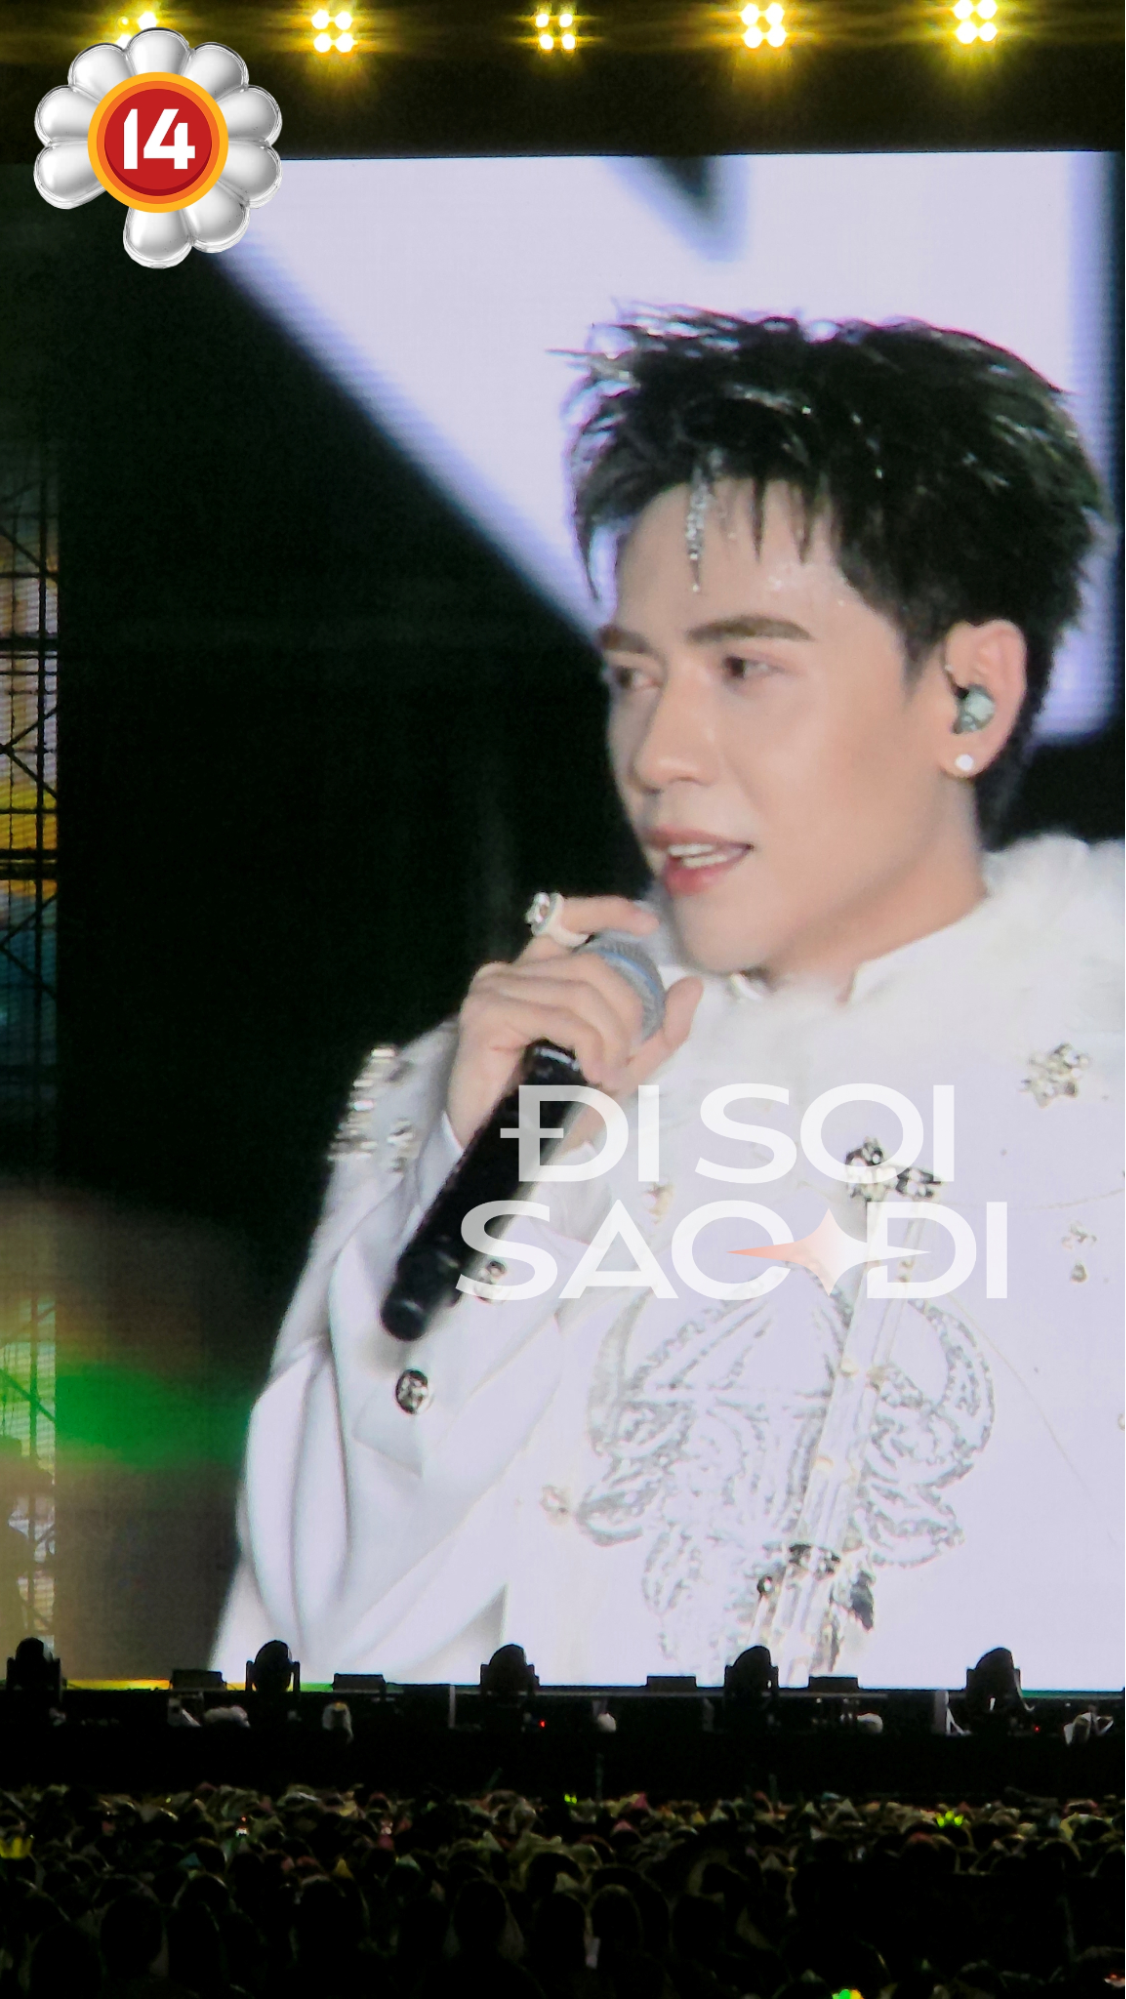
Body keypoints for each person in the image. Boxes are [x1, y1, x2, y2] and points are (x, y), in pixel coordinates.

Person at [214, 312, 1123, 1691]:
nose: (658, 750)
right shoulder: (504, 1083)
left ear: (967, 695)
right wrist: (485, 1199)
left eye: (744, 667)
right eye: (633, 676)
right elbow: (325, 1656)